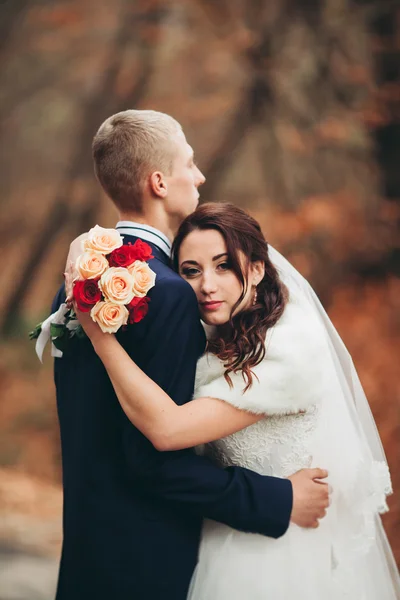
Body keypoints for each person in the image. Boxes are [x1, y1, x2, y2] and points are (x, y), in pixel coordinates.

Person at [52, 110, 330, 600]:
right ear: (159, 181)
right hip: (146, 559)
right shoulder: (169, 293)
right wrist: (276, 498)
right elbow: (155, 458)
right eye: (189, 162)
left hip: (87, 545)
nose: (199, 175)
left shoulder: (78, 281)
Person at [67, 202, 400, 599]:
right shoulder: (219, 334)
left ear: (257, 269)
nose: (207, 284)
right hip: (222, 536)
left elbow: (168, 429)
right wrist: (82, 244)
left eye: (224, 266)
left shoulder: (289, 349)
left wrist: (99, 334)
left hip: (279, 554)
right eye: (191, 271)